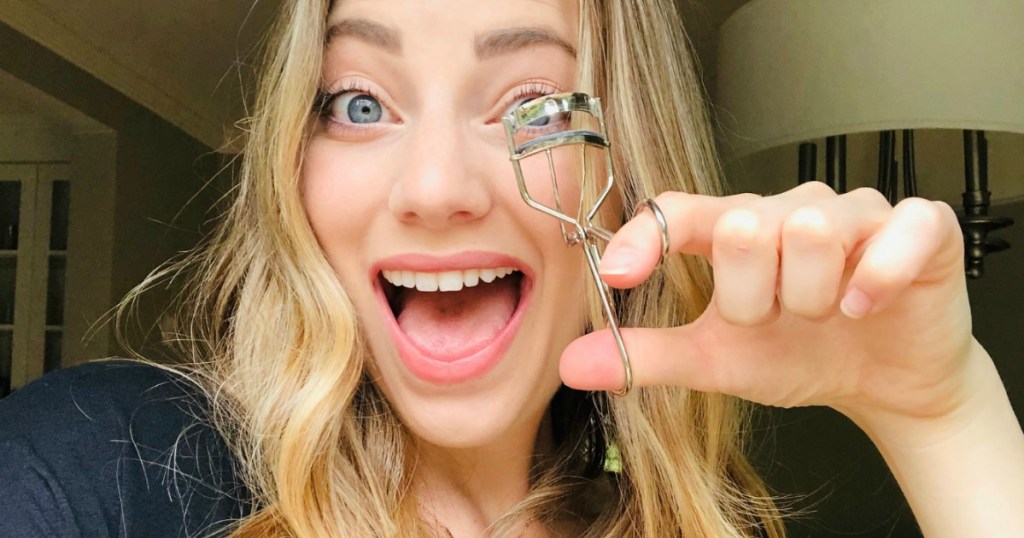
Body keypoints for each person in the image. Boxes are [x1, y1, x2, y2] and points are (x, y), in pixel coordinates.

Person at [2, 1, 1022, 536]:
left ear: (630, 182)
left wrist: (940, 414)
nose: (438, 186)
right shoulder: (100, 469)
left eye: (536, 107)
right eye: (359, 103)